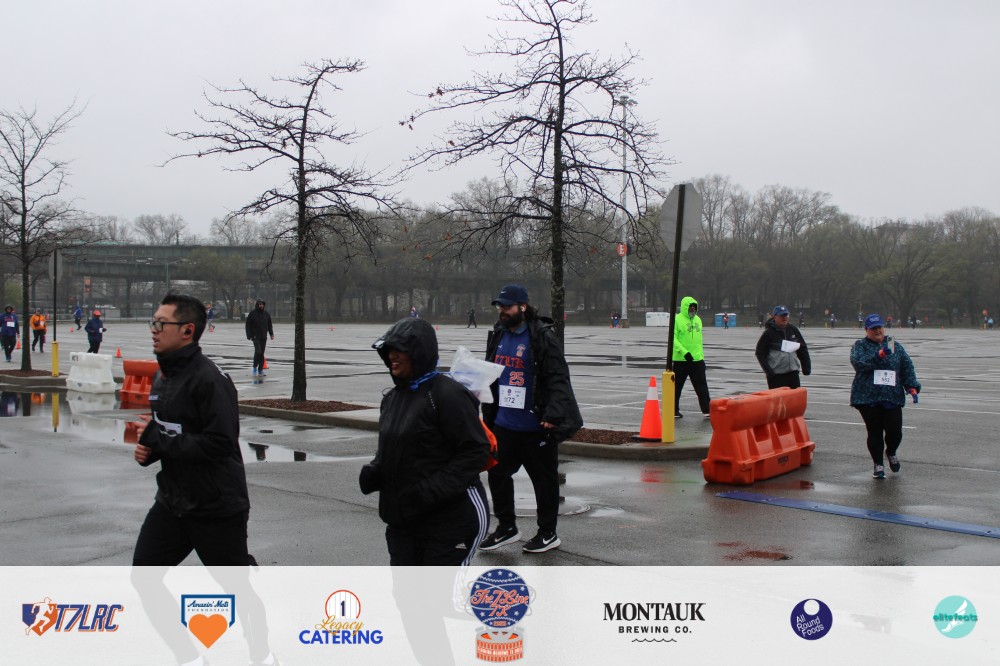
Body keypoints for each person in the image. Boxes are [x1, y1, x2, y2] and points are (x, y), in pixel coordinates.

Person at [132, 293, 251, 565]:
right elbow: (172, 432)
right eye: (153, 322)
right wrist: (150, 451)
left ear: (187, 330)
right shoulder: (162, 375)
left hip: (216, 508)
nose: (154, 330)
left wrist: (156, 439)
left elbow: (220, 444)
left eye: (161, 324)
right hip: (172, 504)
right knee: (144, 577)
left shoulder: (210, 380)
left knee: (235, 585)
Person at [360, 318, 490, 565]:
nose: (392, 356)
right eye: (388, 351)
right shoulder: (392, 398)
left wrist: (428, 492)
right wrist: (376, 469)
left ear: (418, 353)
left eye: (399, 350)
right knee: (407, 590)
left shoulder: (447, 395)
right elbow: (394, 447)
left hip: (450, 523)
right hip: (404, 523)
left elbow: (475, 451)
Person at [479, 284, 583, 554]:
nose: (502, 311)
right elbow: (491, 372)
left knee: (544, 482)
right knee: (497, 473)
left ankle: (548, 533)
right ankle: (506, 528)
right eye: (500, 306)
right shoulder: (499, 333)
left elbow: (558, 377)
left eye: (507, 306)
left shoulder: (541, 336)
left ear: (523, 307)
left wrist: (553, 413)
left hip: (536, 426)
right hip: (504, 423)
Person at [850, 314, 921, 479]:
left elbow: (906, 366)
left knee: (895, 431)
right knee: (874, 431)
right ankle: (878, 464)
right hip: (868, 397)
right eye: (873, 328)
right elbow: (858, 363)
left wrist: (911, 386)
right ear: (866, 330)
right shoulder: (860, 345)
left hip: (891, 396)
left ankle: (891, 451)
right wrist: (878, 355)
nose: (877, 331)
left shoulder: (893, 344)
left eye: (879, 327)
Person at [672, 296, 711, 419]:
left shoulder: (698, 319)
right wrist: (684, 352)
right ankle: (673, 410)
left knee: (702, 386)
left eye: (694, 307)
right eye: (690, 307)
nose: (692, 309)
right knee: (676, 387)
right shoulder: (676, 319)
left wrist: (700, 357)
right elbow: (673, 338)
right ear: (685, 308)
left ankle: (707, 410)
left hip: (697, 360)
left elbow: (698, 341)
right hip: (681, 360)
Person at [755, 305, 811, 389]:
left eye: (786, 315)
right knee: (778, 398)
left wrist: (806, 368)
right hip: (776, 376)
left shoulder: (793, 329)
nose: (784, 318)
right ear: (775, 317)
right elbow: (759, 353)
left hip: (793, 374)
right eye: (781, 316)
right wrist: (769, 372)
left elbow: (802, 348)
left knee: (794, 397)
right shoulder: (768, 333)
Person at [244, 299, 274, 376]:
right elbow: (248, 325)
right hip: (255, 336)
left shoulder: (266, 314)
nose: (261, 305)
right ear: (257, 305)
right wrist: (249, 335)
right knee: (258, 352)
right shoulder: (252, 314)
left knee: (262, 353)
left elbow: (269, 325)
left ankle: (260, 369)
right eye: (259, 304)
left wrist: (271, 334)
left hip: (263, 336)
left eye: (262, 304)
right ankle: (254, 367)